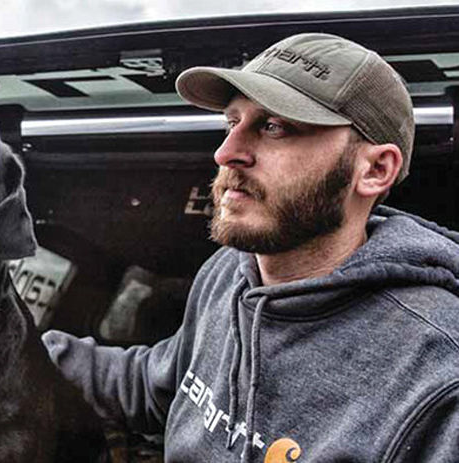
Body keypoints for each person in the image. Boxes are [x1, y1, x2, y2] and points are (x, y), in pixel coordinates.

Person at [42, 33, 459, 462]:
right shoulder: (230, 271)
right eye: (232, 123)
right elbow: (154, 384)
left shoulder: (436, 376)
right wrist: (14, 348)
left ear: (374, 170)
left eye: (274, 126)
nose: (226, 153)